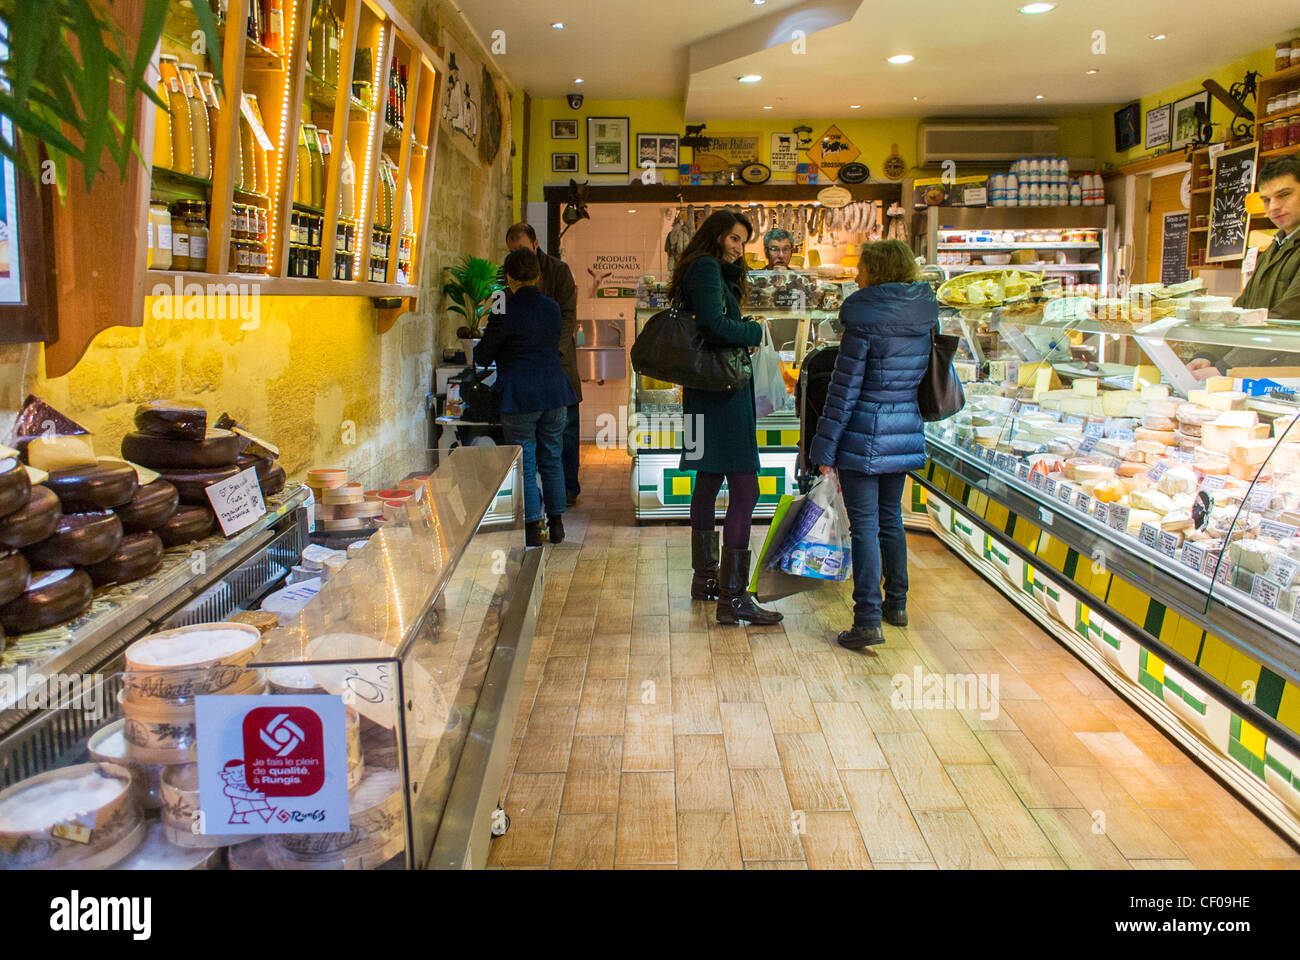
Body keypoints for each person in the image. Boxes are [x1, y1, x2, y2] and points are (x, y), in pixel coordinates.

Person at [810, 240, 938, 650]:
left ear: (877, 271)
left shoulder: (862, 316)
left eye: (862, 266)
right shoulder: (924, 313)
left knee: (864, 527)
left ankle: (867, 619)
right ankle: (896, 605)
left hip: (862, 432)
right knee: (890, 521)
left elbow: (843, 390)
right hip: (904, 428)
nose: (856, 273)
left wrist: (823, 448)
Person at [673, 210, 782, 626]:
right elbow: (713, 325)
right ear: (717, 236)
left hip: (701, 394)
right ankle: (733, 597)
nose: (739, 248)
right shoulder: (705, 268)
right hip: (723, 394)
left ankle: (706, 581)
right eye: (735, 239)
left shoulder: (705, 268)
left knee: (706, 481)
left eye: (743, 242)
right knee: (746, 488)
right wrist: (753, 333)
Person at [474, 249, 578, 548]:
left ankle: (532, 528)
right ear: (537, 275)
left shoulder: (501, 304)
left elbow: (485, 353)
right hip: (554, 392)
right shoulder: (552, 307)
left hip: (519, 395)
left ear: (509, 277)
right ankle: (557, 526)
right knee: (552, 458)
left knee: (527, 461)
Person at [1186, 156, 1300, 379]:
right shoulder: (1272, 248)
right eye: (1266, 200)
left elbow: (1284, 320)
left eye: (1284, 195)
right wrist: (1207, 354)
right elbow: (1244, 311)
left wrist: (1224, 367)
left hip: (1289, 378)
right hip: (1259, 373)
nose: (1274, 206)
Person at [506, 222, 583, 504]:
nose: (518, 257)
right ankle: (550, 505)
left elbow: (569, 318)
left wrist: (552, 352)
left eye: (522, 250)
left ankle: (569, 488)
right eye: (513, 252)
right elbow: (501, 311)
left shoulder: (558, 271)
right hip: (528, 370)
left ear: (536, 244)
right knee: (545, 444)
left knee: (567, 433)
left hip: (559, 365)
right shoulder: (507, 277)